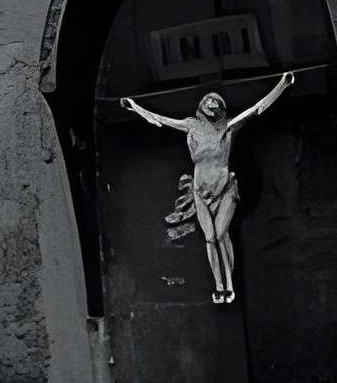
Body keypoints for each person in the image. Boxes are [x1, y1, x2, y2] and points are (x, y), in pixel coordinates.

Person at [120, 72, 295, 302]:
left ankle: (230, 286)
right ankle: (220, 286)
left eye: (217, 102)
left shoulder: (228, 127)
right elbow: (160, 120)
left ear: (220, 108)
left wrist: (283, 83)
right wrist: (134, 107)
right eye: (209, 100)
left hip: (225, 188)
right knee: (211, 238)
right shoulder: (191, 125)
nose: (212, 104)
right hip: (200, 191)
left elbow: (257, 108)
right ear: (202, 105)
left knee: (222, 233)